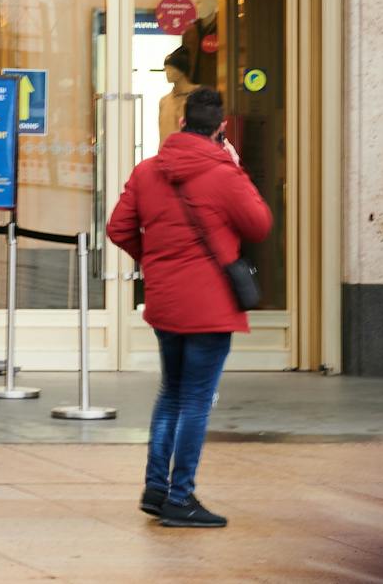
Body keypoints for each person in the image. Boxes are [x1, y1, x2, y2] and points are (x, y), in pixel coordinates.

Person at [108, 86, 272, 530]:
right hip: (211, 304)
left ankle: (156, 488)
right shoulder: (224, 172)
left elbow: (118, 227)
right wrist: (236, 167)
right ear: (220, 128)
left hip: (166, 301)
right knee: (196, 401)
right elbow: (259, 224)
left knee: (170, 395)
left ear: (181, 123)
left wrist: (155, 258)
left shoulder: (147, 171)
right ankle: (180, 498)